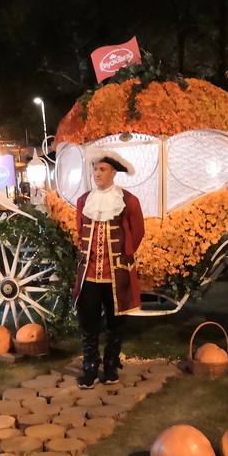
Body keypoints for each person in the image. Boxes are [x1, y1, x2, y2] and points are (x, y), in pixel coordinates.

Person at [73, 152, 145, 389]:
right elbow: (79, 230)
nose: (97, 173)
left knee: (116, 322)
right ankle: (90, 367)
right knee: (88, 321)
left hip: (117, 273)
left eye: (102, 169)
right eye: (95, 169)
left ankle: (111, 364)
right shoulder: (84, 201)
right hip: (90, 273)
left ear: (114, 173)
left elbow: (138, 232)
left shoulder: (128, 200)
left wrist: (125, 254)